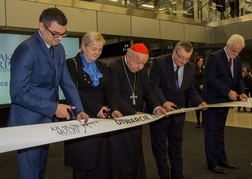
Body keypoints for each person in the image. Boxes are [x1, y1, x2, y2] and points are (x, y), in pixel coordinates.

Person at [8, 8, 89, 179]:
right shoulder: (26, 50)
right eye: (55, 34)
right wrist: (53, 108)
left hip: (46, 122)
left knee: (40, 170)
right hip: (27, 123)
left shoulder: (58, 49)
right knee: (30, 173)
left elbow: (66, 81)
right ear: (41, 26)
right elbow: (18, 93)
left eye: (63, 34)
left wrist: (79, 110)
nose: (59, 38)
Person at [64, 31, 122, 179]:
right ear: (83, 46)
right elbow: (73, 91)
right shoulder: (72, 63)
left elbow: (109, 91)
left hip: (101, 117)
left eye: (100, 49)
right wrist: (96, 108)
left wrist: (113, 109)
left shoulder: (102, 66)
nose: (97, 53)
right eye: (93, 48)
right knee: (83, 160)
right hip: (82, 115)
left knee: (100, 159)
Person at [107, 43, 167, 179]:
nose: (140, 67)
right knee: (122, 155)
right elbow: (114, 96)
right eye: (138, 63)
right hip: (121, 119)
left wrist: (157, 107)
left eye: (143, 64)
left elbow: (148, 90)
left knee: (135, 152)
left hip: (136, 119)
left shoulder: (141, 70)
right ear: (128, 56)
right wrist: (133, 112)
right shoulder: (114, 68)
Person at [149, 41, 207, 179]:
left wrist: (199, 102)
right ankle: (164, 174)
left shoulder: (190, 67)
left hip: (178, 114)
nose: (183, 61)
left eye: (187, 58)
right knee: (160, 147)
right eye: (181, 57)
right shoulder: (159, 62)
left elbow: (190, 89)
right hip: (160, 113)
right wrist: (163, 102)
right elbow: (153, 86)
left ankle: (177, 174)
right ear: (174, 52)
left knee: (176, 147)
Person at [201, 34, 248, 174]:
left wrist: (241, 92)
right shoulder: (214, 57)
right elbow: (211, 78)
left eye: (239, 51)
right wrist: (228, 91)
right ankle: (212, 162)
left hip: (225, 102)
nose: (236, 54)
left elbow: (238, 79)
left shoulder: (238, 59)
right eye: (234, 51)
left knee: (220, 131)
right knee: (211, 133)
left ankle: (222, 159)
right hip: (211, 101)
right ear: (227, 46)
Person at [194, 56, 205, 128]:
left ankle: (203, 121)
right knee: (197, 106)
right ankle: (198, 121)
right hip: (196, 89)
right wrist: (199, 86)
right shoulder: (193, 70)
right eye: (199, 61)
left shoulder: (204, 70)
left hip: (204, 90)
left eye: (201, 61)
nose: (200, 62)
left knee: (204, 105)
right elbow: (192, 80)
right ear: (196, 62)